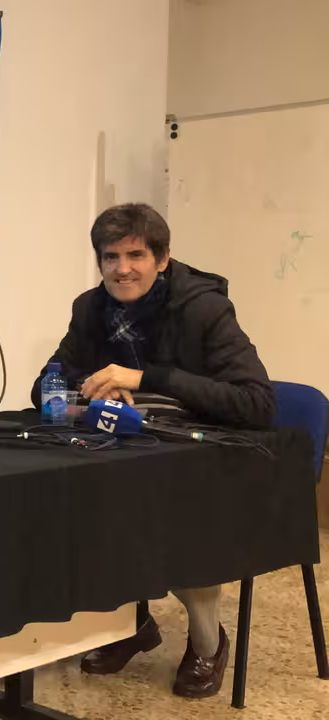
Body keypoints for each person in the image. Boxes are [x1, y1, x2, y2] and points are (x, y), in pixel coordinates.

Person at [32, 202, 274, 699]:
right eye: (110, 257)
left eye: (136, 255)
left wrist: (147, 380)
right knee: (63, 501)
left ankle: (208, 642)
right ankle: (128, 624)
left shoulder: (205, 308)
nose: (122, 269)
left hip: (205, 457)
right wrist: (90, 390)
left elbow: (256, 403)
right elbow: (46, 385)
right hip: (131, 451)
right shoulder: (90, 308)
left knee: (173, 515)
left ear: (162, 259)